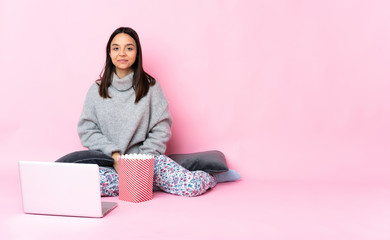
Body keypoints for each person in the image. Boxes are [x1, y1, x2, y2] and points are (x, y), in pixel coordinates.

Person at [56, 27, 222, 197]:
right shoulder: (96, 90)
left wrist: (141, 162)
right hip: (110, 164)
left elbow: (161, 128)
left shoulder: (151, 87)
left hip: (147, 161)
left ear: (137, 53)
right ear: (109, 53)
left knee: (191, 187)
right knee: (81, 184)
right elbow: (87, 130)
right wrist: (113, 155)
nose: (122, 53)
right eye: (116, 48)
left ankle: (212, 176)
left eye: (129, 48)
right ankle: (151, 185)